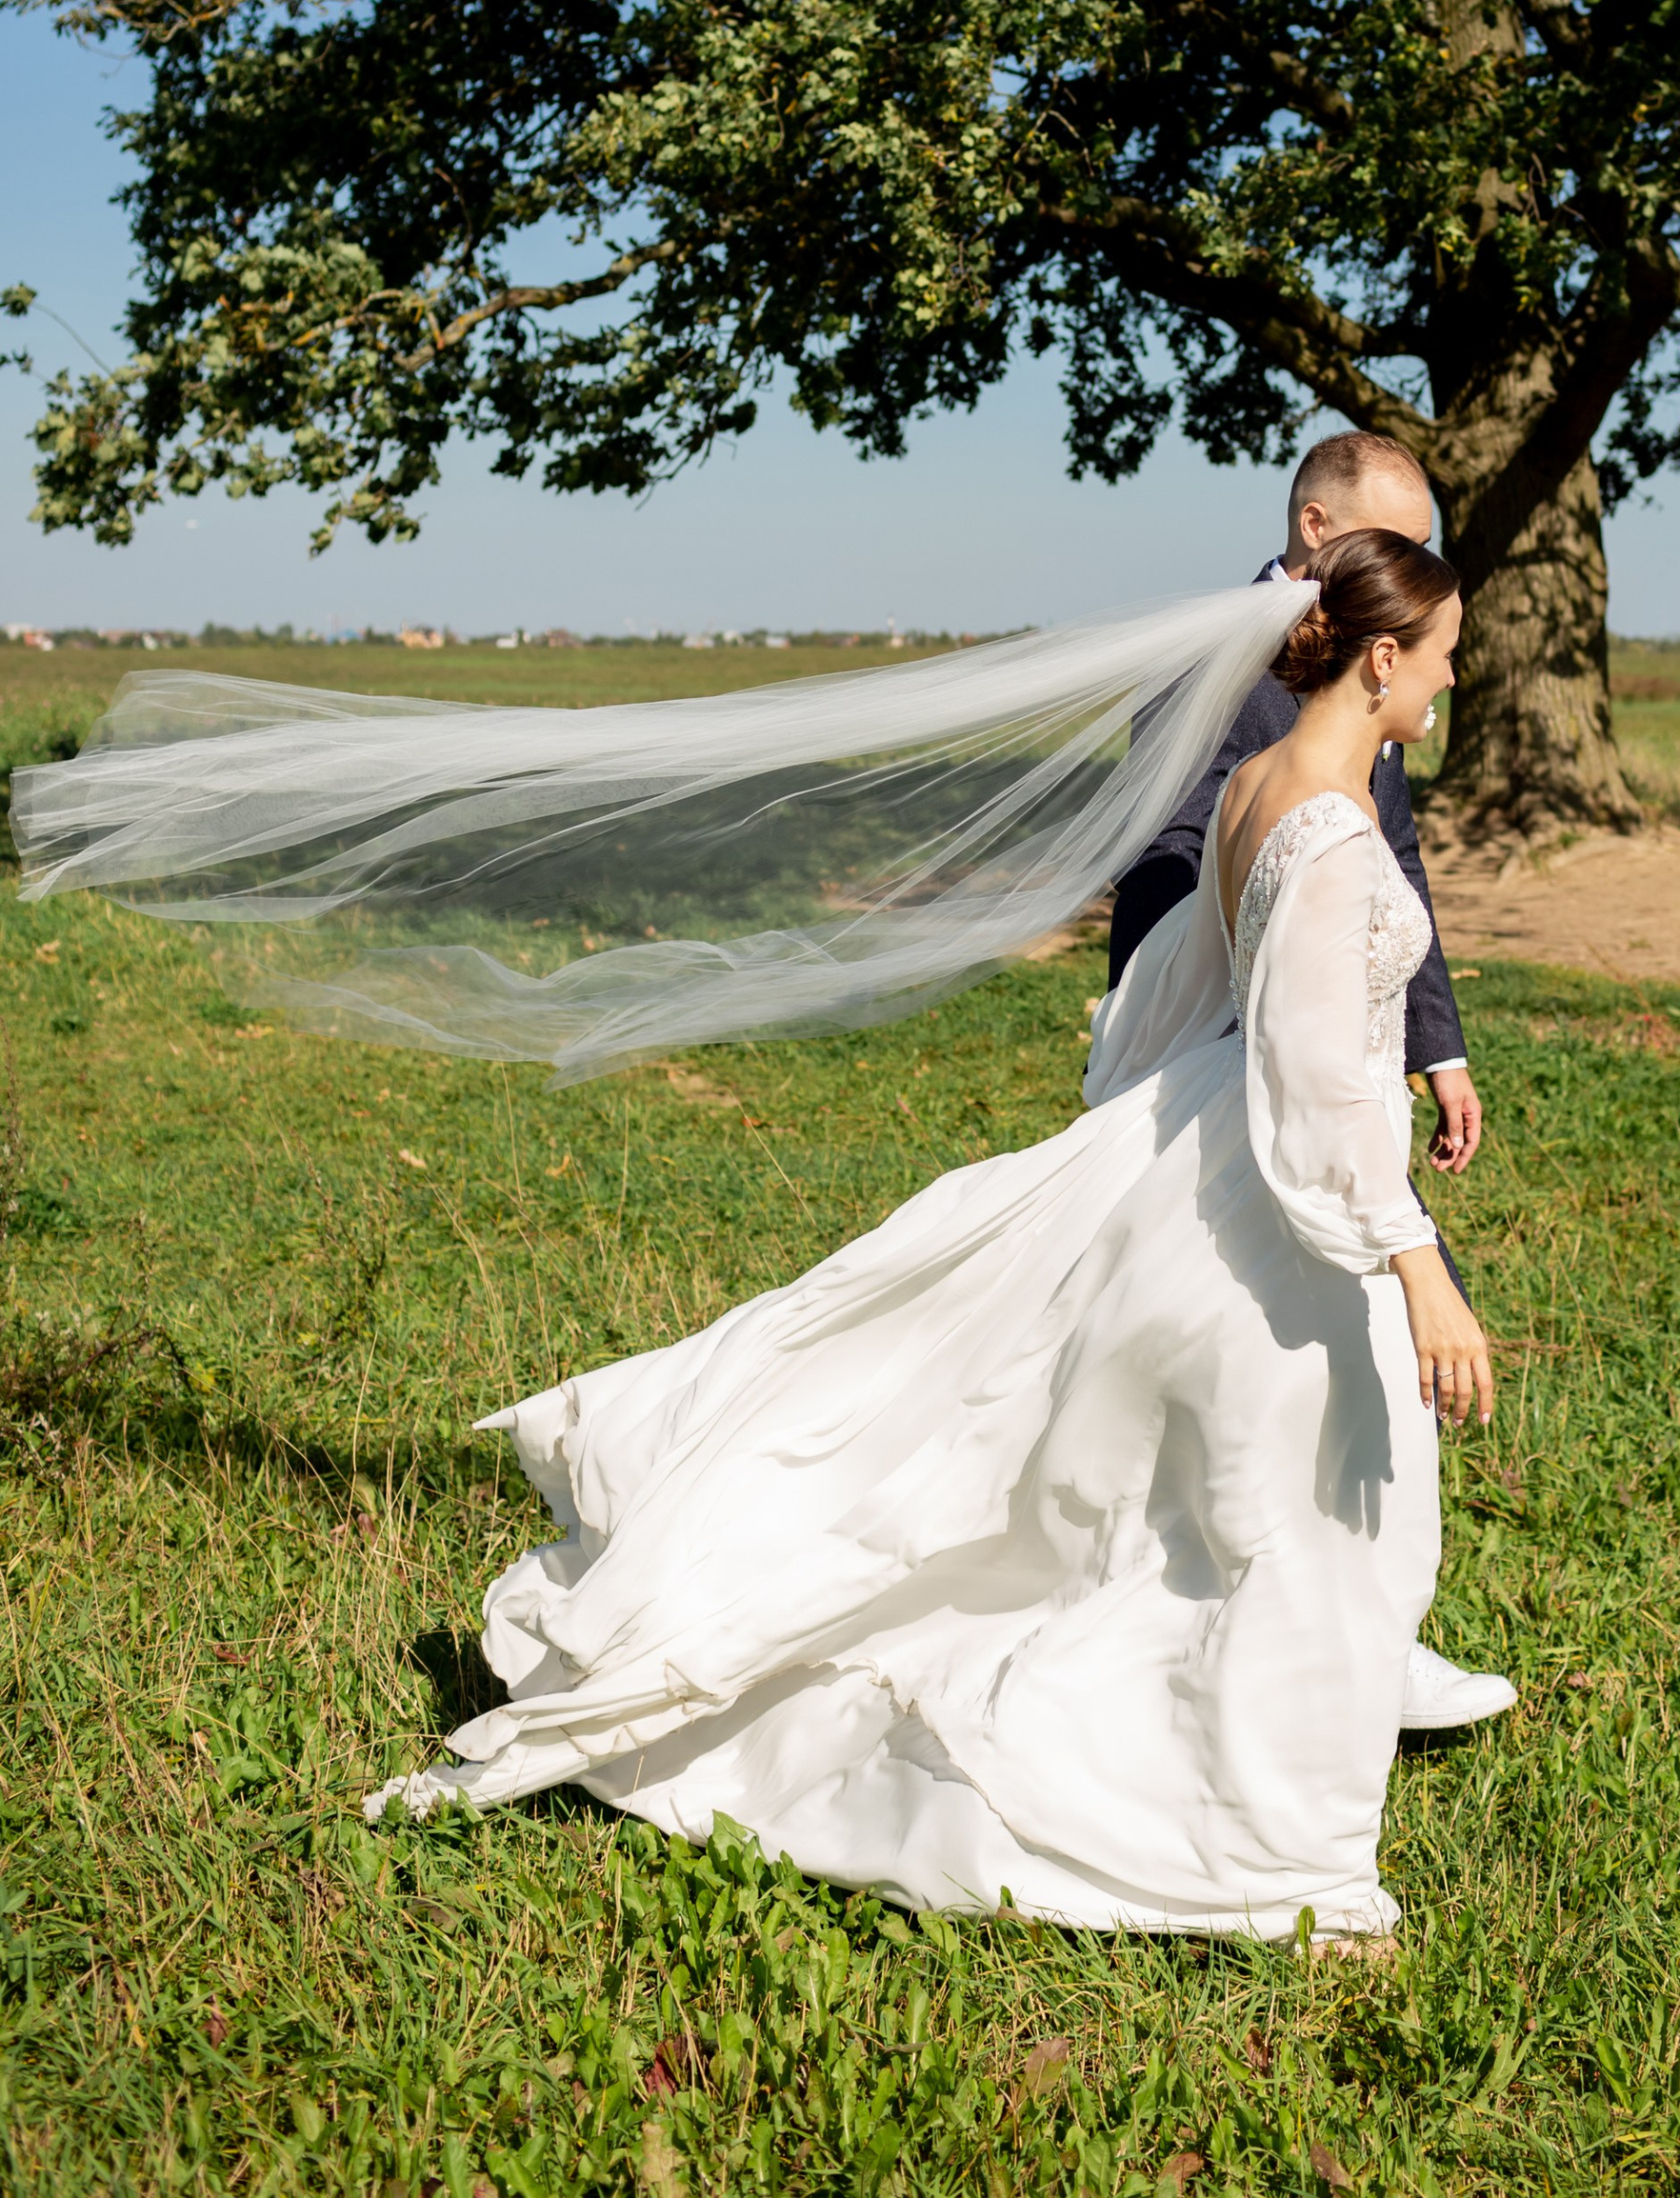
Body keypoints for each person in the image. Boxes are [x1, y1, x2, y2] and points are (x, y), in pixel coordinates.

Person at [366, 531, 1503, 1947]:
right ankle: (1274, 1851)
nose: (1452, 681)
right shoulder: (1331, 834)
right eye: (1446, 654)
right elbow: (1322, 1084)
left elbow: (1171, 997)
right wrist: (1418, 1272)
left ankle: (1237, 1792)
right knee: (1331, 1516)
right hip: (1278, 1199)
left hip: (1200, 1145)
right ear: (1384, 656)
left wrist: (1128, 1144)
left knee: (1202, 1510)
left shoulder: (1254, 792)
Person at [1109, 428, 1513, 1738]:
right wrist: (1177, 1075)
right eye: (1394, 547)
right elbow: (1180, 881)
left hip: (1326, 1065)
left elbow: (1388, 868)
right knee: (1314, 1365)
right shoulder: (1222, 676)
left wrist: (1431, 1045)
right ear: (1324, 536)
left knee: (1304, 1378)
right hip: (1252, 1081)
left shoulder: (1357, 684)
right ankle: (1331, 1654)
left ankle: (1341, 1633)